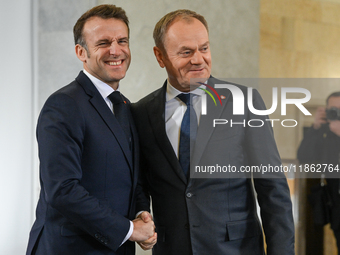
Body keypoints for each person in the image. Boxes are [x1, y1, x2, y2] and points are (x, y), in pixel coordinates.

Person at [132, 9, 295, 255]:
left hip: (236, 249)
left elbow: (273, 188)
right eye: (186, 52)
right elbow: (138, 183)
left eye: (204, 48)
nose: (198, 59)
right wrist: (141, 214)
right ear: (160, 56)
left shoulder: (244, 101)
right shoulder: (141, 113)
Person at [26, 5, 156, 255]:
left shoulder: (125, 107)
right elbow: (62, 190)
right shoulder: (63, 104)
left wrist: (142, 214)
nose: (115, 50)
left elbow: (132, 178)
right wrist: (129, 230)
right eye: (104, 43)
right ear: (81, 52)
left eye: (122, 41)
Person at [297, 92, 340, 250]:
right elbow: (303, 156)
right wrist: (315, 128)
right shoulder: (323, 133)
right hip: (336, 207)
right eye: (333, 109)